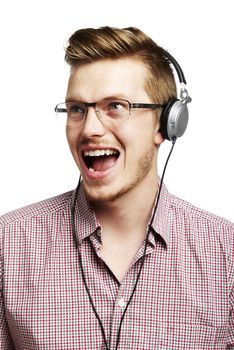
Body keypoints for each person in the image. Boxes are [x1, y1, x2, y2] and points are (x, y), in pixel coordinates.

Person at [0, 26, 233, 350]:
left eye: (116, 106)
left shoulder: (226, 255)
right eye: (78, 109)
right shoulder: (7, 247)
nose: (90, 129)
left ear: (166, 123)